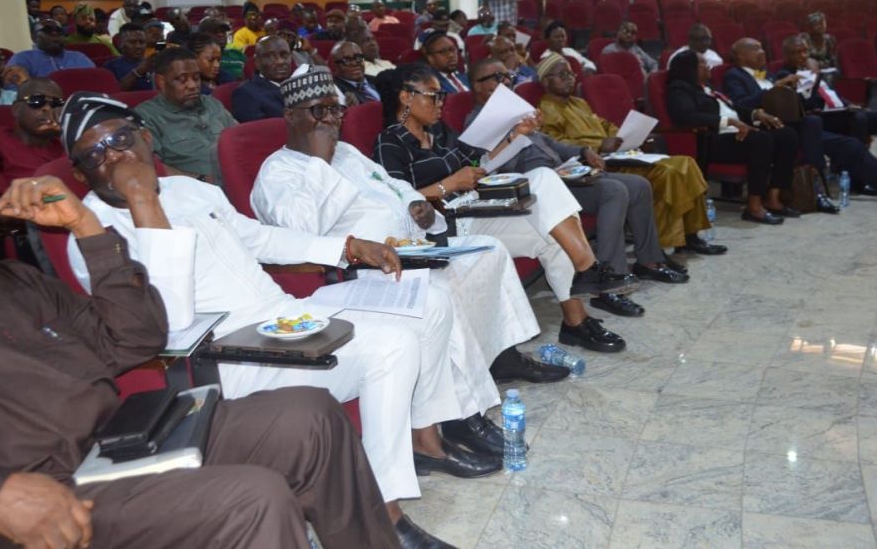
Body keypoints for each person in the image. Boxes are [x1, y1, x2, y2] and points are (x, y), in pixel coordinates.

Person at [0, 122, 400, 548]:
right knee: (254, 499)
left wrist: (87, 227)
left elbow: (134, 340)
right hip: (39, 494)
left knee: (309, 415)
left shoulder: (15, 279)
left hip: (118, 442)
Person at [60, 95, 491, 548]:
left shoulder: (190, 191)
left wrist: (346, 247)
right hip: (227, 355)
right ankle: (382, 510)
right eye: (94, 154)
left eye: (120, 139)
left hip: (283, 317)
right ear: (80, 174)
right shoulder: (94, 236)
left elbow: (260, 238)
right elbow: (170, 321)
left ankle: (423, 438)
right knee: (391, 345)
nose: (114, 157)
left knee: (428, 301)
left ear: (146, 138)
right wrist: (142, 200)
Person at [250, 67, 570, 448]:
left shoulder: (347, 153)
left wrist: (418, 205)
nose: (330, 120)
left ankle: (501, 354)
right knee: (441, 288)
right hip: (360, 271)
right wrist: (319, 162)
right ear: (291, 116)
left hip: (411, 248)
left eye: (335, 110)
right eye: (319, 111)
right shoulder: (277, 172)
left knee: (488, 251)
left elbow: (392, 184)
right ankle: (462, 415)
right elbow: (300, 232)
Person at [373, 63, 631, 353]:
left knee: (548, 214)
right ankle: (589, 269)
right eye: (433, 95)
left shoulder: (438, 134)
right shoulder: (389, 142)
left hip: (470, 209)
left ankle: (576, 320)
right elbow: (396, 201)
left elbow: (478, 165)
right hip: (443, 229)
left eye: (441, 95)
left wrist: (516, 135)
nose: (441, 102)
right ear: (406, 97)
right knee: (544, 192)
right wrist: (449, 185)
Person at [466, 59, 672, 316]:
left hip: (563, 175)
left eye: (507, 76)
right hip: (536, 189)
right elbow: (489, 168)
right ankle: (608, 285)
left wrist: (583, 151)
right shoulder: (477, 123)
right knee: (614, 192)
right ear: (477, 85)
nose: (505, 81)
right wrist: (516, 137)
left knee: (639, 185)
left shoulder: (515, 113)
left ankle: (649, 261)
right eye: (497, 77)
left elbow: (552, 144)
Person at [723, 38, 877, 206]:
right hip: (773, 130)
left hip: (796, 125)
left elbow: (798, 103)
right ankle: (817, 192)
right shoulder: (735, 75)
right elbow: (740, 104)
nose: (762, 51)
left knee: (852, 145)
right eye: (756, 48)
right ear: (740, 56)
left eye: (762, 47)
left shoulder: (768, 75)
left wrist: (805, 88)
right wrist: (777, 87)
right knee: (815, 125)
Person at [537, 53, 714, 256]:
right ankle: (661, 247)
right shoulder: (545, 110)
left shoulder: (579, 103)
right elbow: (557, 146)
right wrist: (600, 145)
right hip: (596, 164)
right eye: (562, 75)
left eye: (571, 73)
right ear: (546, 81)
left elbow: (605, 125)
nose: (569, 78)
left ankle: (691, 235)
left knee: (686, 163)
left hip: (617, 155)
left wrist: (628, 137)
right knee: (666, 173)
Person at [666, 51, 797, 225]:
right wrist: (728, 121)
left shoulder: (708, 87)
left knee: (786, 134)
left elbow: (733, 107)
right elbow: (685, 116)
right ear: (689, 68)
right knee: (761, 140)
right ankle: (754, 207)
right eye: (703, 63)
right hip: (712, 140)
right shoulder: (679, 89)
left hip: (737, 133)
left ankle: (773, 198)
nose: (708, 66)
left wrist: (756, 114)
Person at [777, 35, 877, 174]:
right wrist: (813, 80)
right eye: (797, 52)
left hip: (840, 111)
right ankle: (857, 173)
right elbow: (804, 104)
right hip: (821, 117)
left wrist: (850, 105)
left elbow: (830, 93)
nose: (803, 56)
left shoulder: (811, 68)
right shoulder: (785, 75)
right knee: (858, 119)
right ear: (787, 55)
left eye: (805, 51)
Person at [134, 46, 237, 183]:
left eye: (196, 78)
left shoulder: (212, 103)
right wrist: (200, 180)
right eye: (182, 79)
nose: (193, 85)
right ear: (161, 82)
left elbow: (239, 139)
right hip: (194, 188)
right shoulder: (147, 116)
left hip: (238, 179)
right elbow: (151, 166)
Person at [0, 77, 66, 195]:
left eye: (56, 104)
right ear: (16, 109)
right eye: (37, 101)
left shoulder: (67, 146)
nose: (47, 108)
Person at [231, 35, 293, 121]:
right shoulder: (246, 94)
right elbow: (257, 129)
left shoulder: (299, 85)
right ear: (257, 62)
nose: (280, 61)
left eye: (284, 55)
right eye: (271, 57)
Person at [7, 20, 95, 78]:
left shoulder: (79, 58)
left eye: (59, 31)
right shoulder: (22, 59)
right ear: (34, 37)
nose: (54, 33)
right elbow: (13, 92)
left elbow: (95, 82)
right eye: (47, 30)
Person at [103, 23, 154, 92]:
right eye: (132, 42)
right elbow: (114, 91)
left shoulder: (153, 63)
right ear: (120, 43)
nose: (138, 46)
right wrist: (138, 72)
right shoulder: (111, 66)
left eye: (142, 42)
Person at [331, 41, 382, 105]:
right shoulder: (335, 90)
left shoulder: (378, 80)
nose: (354, 63)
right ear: (335, 66)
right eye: (347, 60)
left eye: (358, 57)